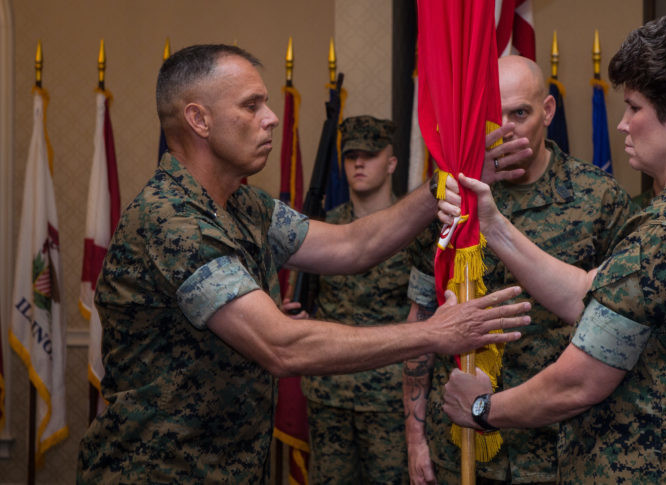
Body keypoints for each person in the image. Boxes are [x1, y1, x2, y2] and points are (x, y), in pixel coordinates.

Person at [76, 44, 532, 483]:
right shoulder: (171, 220)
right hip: (158, 472)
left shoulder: (242, 205)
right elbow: (282, 346)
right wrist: (434, 333)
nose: (271, 117)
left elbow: (352, 245)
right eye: (251, 105)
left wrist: (445, 183)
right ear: (199, 119)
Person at [439, 13, 666, 483]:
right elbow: (589, 295)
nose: (621, 124)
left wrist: (481, 409)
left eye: (634, 107)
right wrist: (493, 225)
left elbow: (579, 382)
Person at [403, 55, 634, 485]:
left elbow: (621, 332)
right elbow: (421, 315)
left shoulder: (599, 199)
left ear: (548, 111)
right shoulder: (454, 196)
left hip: (558, 451)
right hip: (460, 447)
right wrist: (415, 439)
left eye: (520, 113)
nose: (505, 129)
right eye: (494, 116)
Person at [301, 115, 417, 483]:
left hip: (389, 396)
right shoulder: (322, 228)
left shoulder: (414, 229)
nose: (359, 164)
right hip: (328, 391)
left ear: (391, 163)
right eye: (351, 156)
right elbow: (305, 300)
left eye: (369, 155)